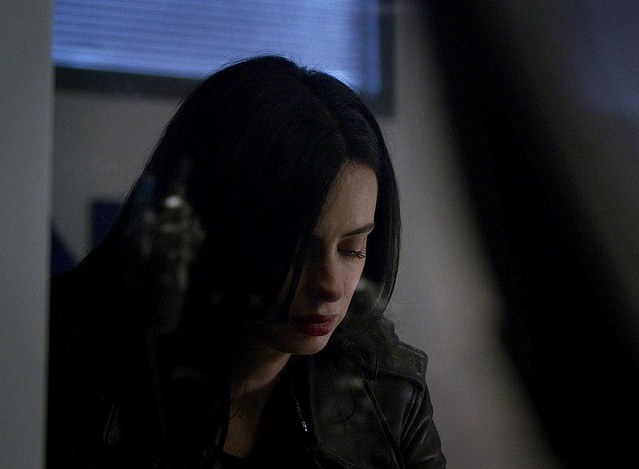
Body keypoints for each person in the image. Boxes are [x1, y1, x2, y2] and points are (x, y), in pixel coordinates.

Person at [47, 55, 446, 469]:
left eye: (352, 249)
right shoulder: (69, 363)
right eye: (296, 250)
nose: (330, 286)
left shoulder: (388, 391)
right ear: (213, 228)